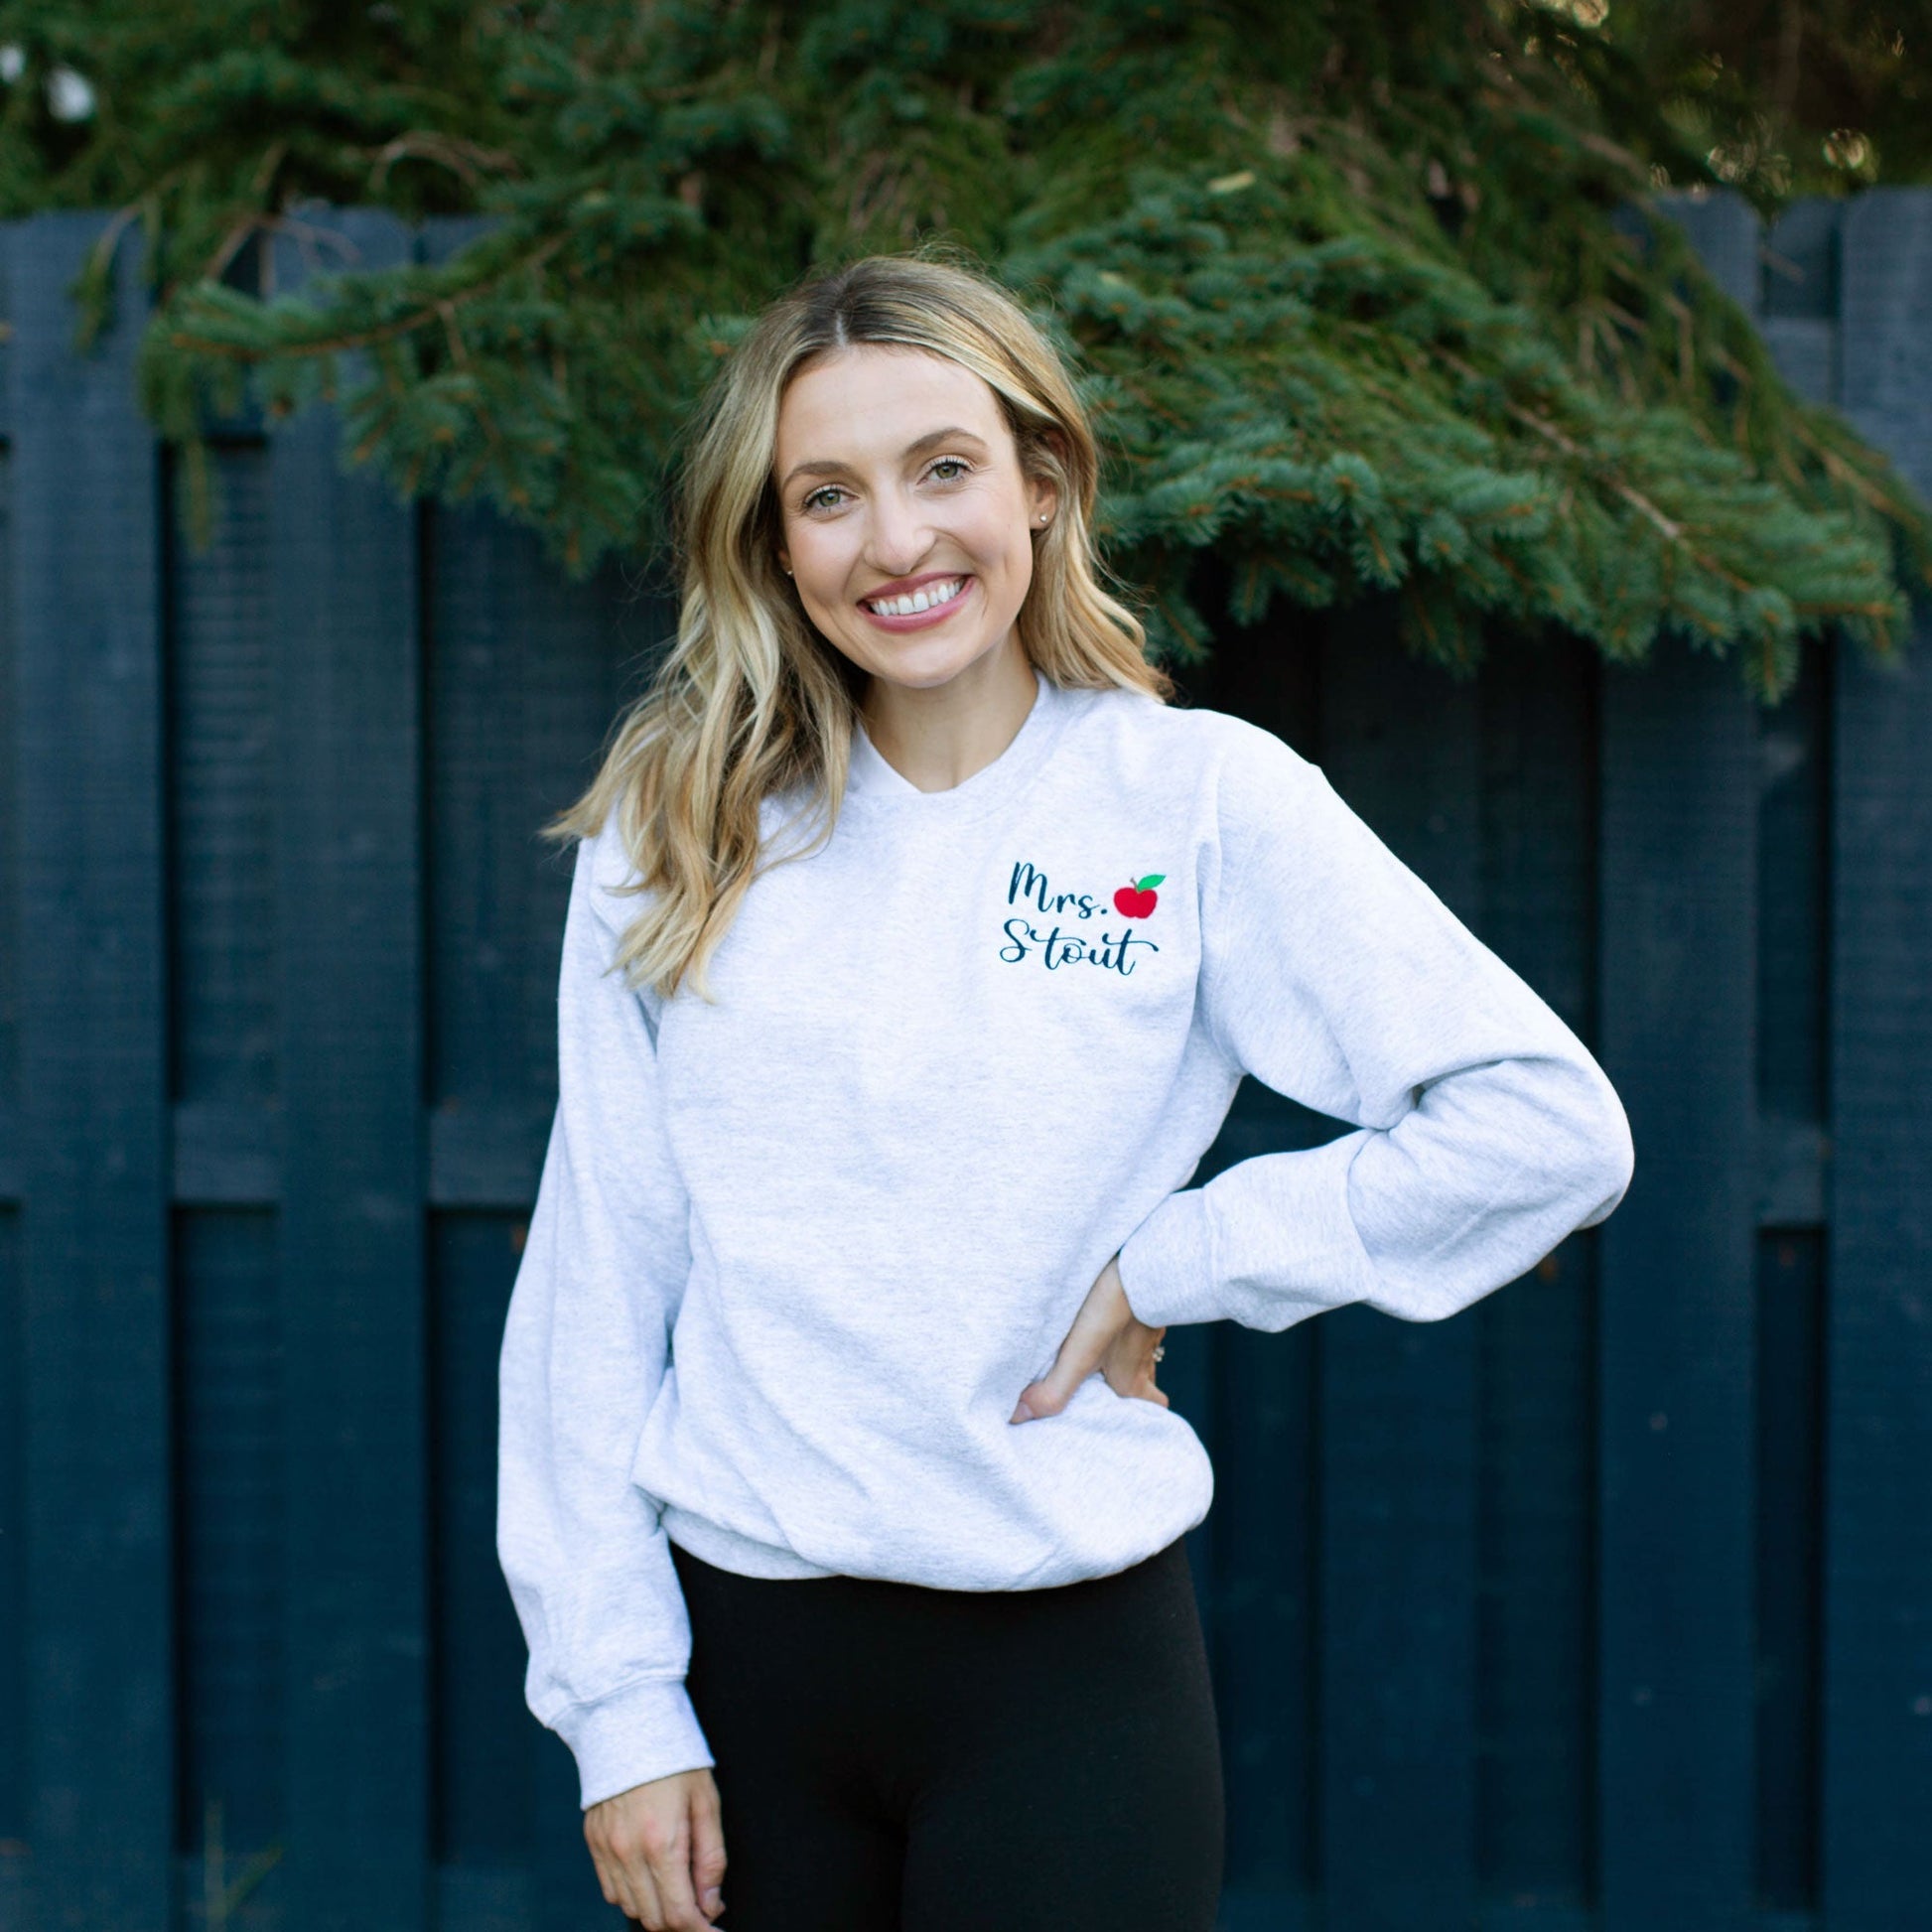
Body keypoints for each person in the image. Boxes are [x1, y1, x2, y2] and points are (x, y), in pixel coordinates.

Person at [494, 252, 1635, 1932]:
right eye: (828, 495)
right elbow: (598, 1279)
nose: (895, 541)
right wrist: (617, 1705)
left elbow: (1544, 1124)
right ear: (772, 543)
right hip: (744, 1674)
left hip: (1067, 1686)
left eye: (942, 468)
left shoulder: (1194, 804)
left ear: (1040, 480)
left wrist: (1184, 1258)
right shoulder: (676, 841)